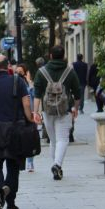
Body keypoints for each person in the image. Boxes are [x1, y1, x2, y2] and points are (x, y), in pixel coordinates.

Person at [0, 54, 37, 209]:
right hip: (16, 128)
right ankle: (11, 202)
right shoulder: (18, 81)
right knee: (13, 165)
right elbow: (26, 103)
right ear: (8, 65)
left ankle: (0, 186)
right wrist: (30, 120)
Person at [33, 46, 81, 180]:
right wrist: (75, 108)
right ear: (63, 56)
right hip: (65, 111)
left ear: (51, 56)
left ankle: (56, 166)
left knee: (53, 140)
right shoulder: (69, 71)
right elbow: (77, 93)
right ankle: (57, 165)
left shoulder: (41, 72)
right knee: (63, 139)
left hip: (47, 111)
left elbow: (37, 94)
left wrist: (35, 112)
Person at [15, 63, 36, 173]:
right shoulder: (12, 84)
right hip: (17, 115)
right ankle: (19, 163)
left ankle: (30, 162)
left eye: (21, 73)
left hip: (29, 114)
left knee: (29, 139)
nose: (18, 75)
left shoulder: (29, 85)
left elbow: (34, 97)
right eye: (16, 72)